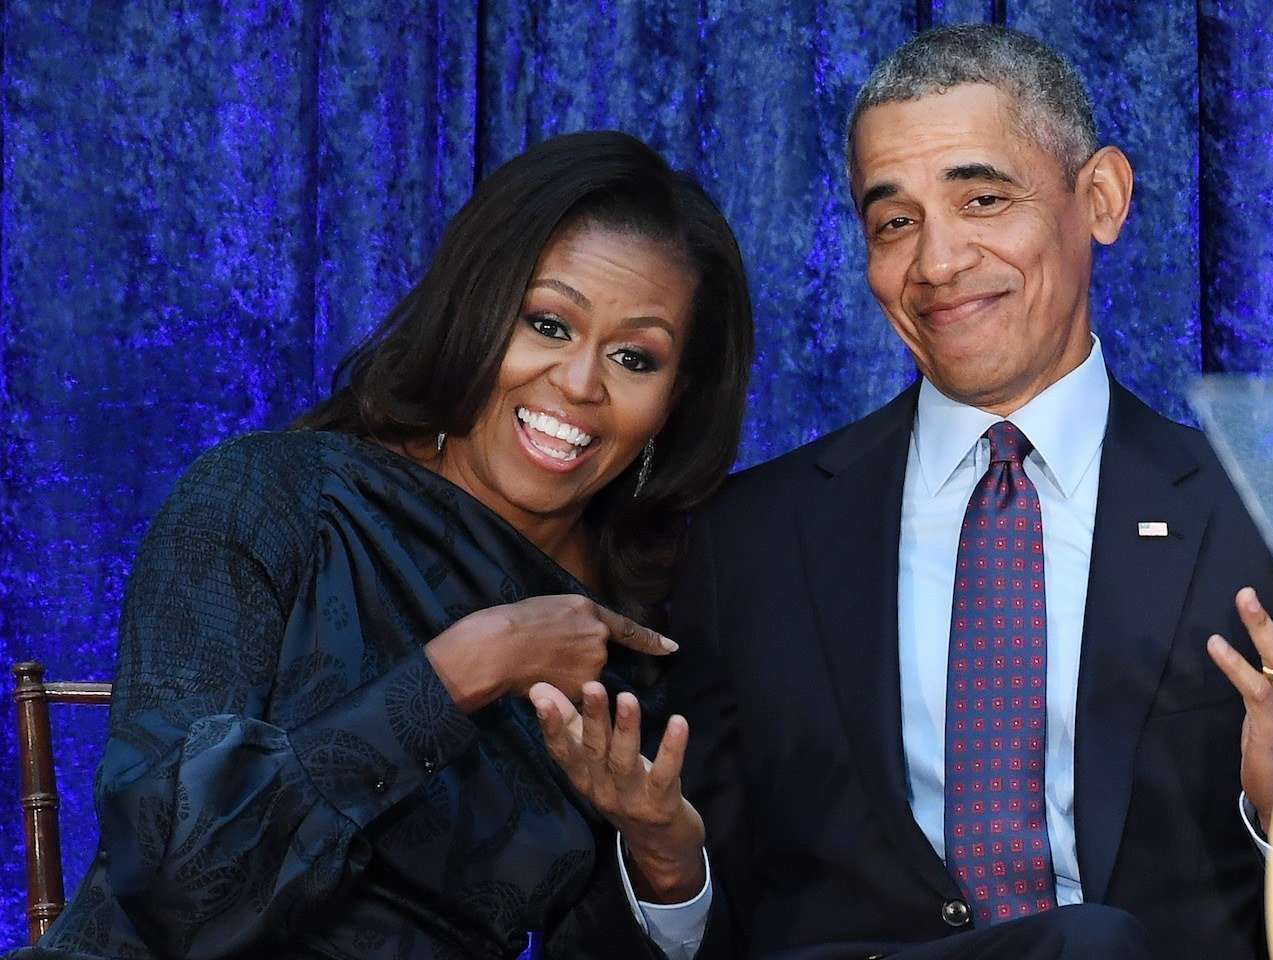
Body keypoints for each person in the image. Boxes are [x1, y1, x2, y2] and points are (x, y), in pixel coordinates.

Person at [540, 25, 1273, 960]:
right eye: (895, 223)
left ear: (1102, 199)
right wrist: (667, 870)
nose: (936, 262)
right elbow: (666, 921)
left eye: (982, 198)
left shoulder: (1271, 527)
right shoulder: (747, 542)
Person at [11, 130, 753, 960]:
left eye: (633, 357)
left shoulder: (637, 641)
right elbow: (175, 877)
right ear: (475, 308)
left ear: (674, 400)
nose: (580, 384)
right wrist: (463, 671)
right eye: (547, 323)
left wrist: (663, 859)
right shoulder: (274, 498)